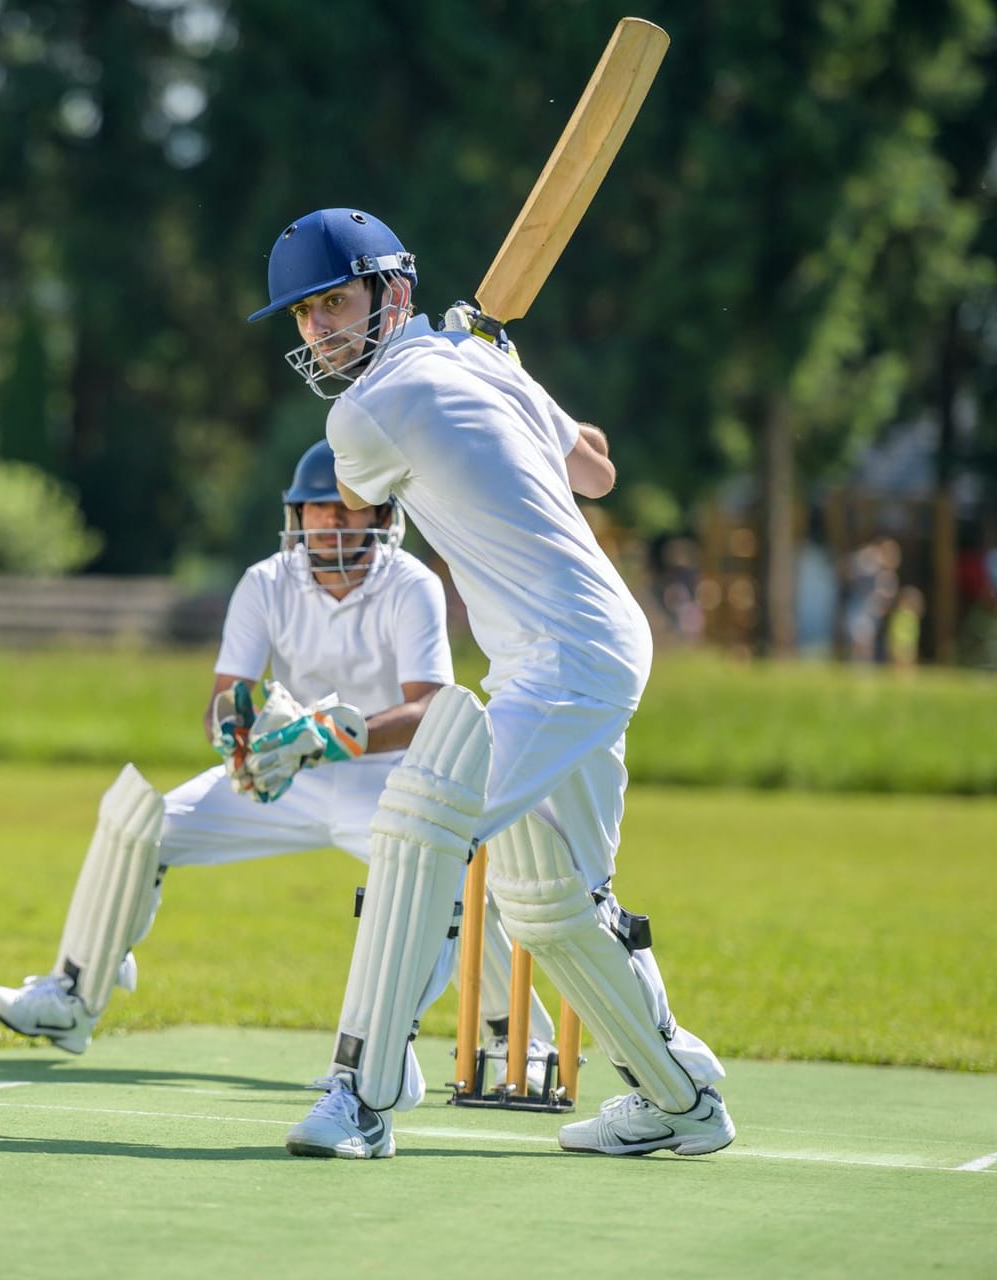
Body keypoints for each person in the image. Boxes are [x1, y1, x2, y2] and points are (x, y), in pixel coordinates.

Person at [244, 207, 732, 1160]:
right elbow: (596, 469)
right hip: (576, 647)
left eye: (334, 302)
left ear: (396, 292)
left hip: (567, 654)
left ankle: (363, 1097)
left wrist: (492, 366)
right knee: (553, 900)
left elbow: (359, 498)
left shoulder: (364, 411)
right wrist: (511, 368)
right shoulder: (482, 366)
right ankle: (683, 1100)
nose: (318, 331)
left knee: (419, 825)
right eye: (304, 316)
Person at [0, 439, 562, 1104]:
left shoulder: (412, 584)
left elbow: (429, 704)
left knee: (441, 875)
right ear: (297, 515)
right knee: (143, 820)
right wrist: (235, 735)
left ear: (381, 517)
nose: (333, 522)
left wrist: (335, 738)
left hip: (384, 779)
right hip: (286, 775)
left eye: (350, 509)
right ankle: (74, 993)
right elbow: (227, 695)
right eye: (319, 509)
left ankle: (514, 1036)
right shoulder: (265, 582)